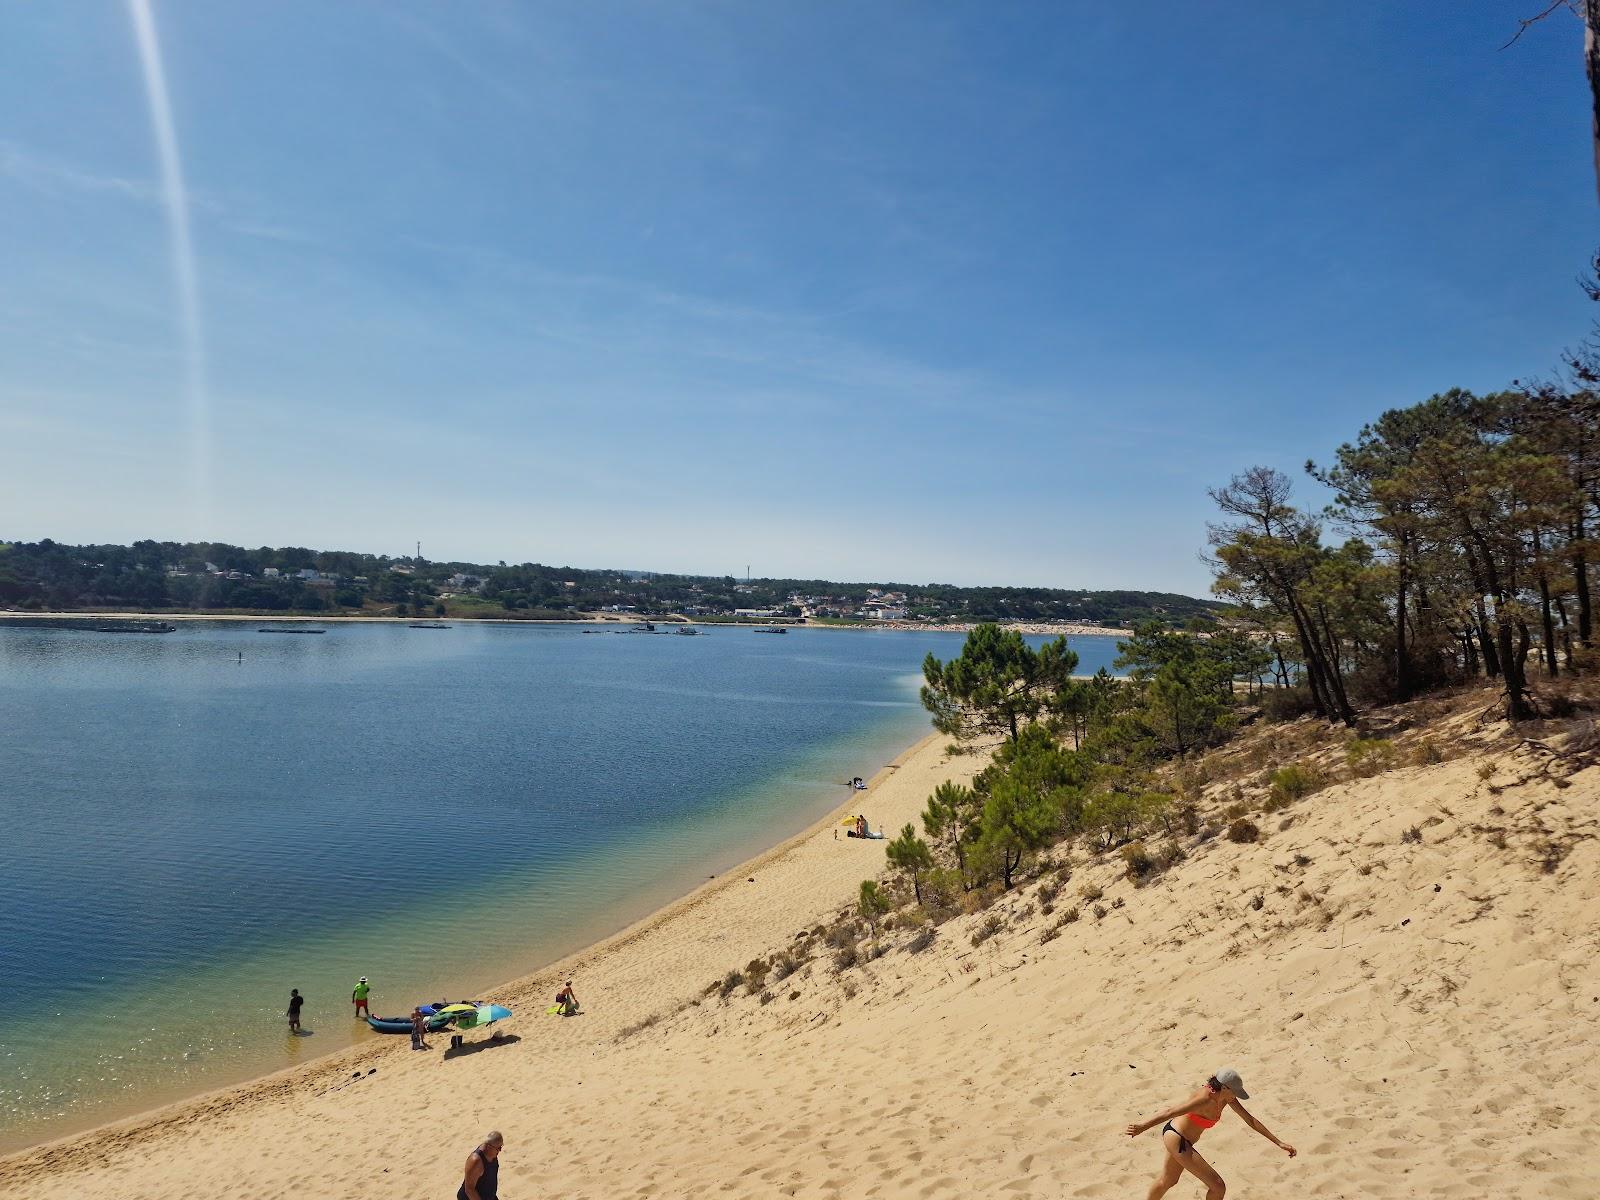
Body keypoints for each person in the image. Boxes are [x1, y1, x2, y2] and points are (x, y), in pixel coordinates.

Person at [1125, 1067, 1295, 1200]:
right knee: (1218, 1186)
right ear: (1224, 1087)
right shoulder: (1204, 1100)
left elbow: (1250, 1120)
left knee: (1168, 1180)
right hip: (1177, 1138)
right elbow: (1171, 1111)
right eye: (1234, 1091)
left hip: (1185, 1140)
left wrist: (1278, 1142)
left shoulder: (1226, 1097)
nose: (1235, 1096)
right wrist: (1143, 1126)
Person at [457, 1131, 503, 1200]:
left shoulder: (492, 1154)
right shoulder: (476, 1161)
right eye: (498, 1148)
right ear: (489, 1146)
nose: (500, 1150)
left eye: (501, 1146)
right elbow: (469, 1190)